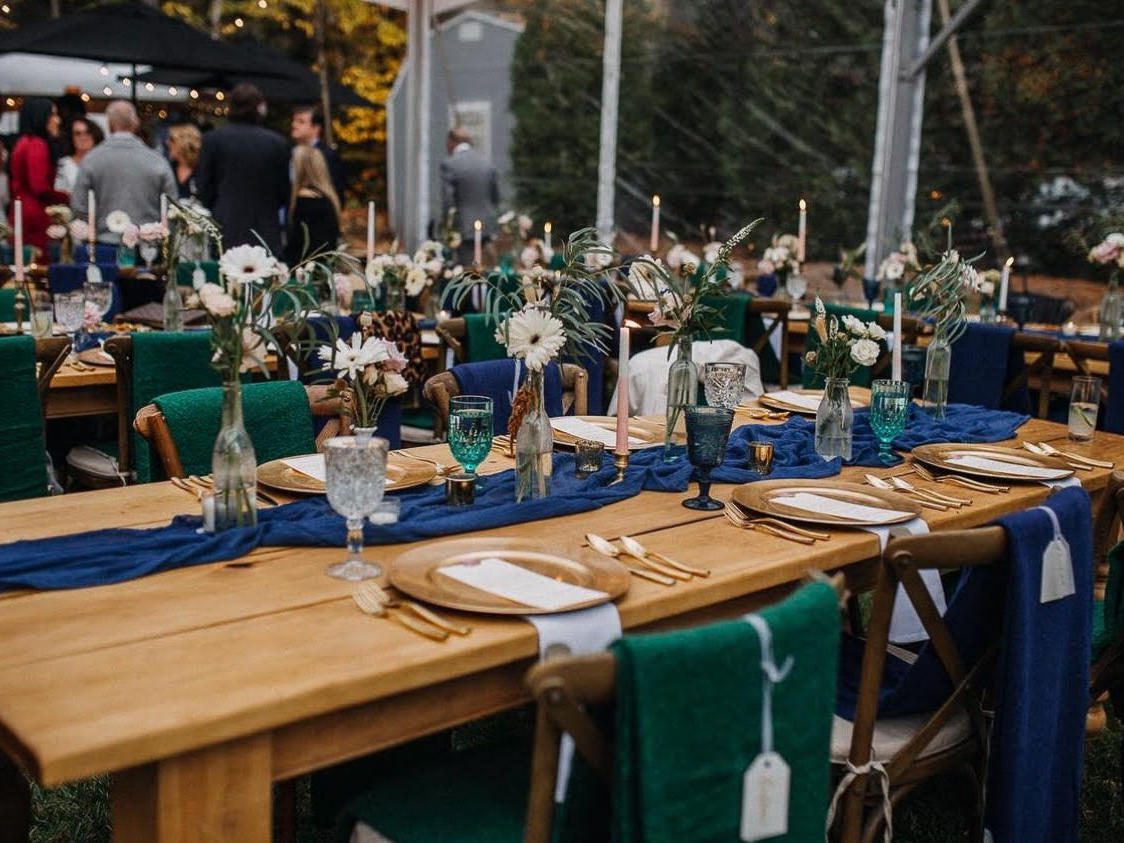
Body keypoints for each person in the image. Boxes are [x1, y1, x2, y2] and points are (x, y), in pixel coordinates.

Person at [196, 83, 290, 255]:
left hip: (225, 224)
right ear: (259, 108)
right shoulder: (277, 143)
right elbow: (284, 191)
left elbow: (204, 186)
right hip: (265, 227)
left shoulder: (212, 140)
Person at [70, 101, 176, 244]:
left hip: (104, 241)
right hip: (146, 244)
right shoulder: (157, 161)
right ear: (136, 123)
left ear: (109, 124)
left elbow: (79, 205)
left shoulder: (92, 159)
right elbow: (172, 207)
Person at [7, 98, 68, 252]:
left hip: (22, 210)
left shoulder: (24, 142)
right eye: (53, 115)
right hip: (33, 215)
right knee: (37, 259)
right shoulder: (36, 145)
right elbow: (39, 187)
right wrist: (67, 197)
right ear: (41, 117)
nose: (58, 120)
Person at [439, 127, 499, 266]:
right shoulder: (486, 163)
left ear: (451, 142)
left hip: (463, 228)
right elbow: (495, 196)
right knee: (487, 270)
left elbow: (448, 200)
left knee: (466, 271)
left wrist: (446, 226)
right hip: (487, 227)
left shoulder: (450, 164)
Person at [284, 145, 340, 266]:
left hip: (305, 269)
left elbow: (297, 244)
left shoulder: (305, 202)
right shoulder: (326, 197)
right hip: (322, 266)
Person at [290, 104, 346, 203]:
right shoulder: (290, 152)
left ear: (316, 128)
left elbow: (336, 192)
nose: (294, 125)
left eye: (301, 122)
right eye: (294, 120)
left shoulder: (327, 155)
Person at [54, 117, 104, 194]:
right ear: (71, 138)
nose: (83, 137)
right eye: (78, 134)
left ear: (94, 135)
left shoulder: (105, 162)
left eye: (88, 133)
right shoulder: (64, 163)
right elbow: (60, 192)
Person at [166, 124, 202, 200]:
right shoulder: (168, 168)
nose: (167, 142)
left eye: (172, 139)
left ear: (184, 144)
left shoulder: (203, 170)